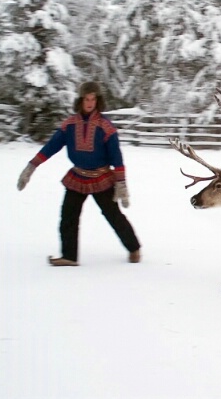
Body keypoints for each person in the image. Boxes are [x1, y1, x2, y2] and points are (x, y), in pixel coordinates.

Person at [16, 82, 141, 266]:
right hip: (77, 177)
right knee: (68, 216)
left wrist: (121, 184)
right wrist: (31, 166)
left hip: (102, 178)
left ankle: (134, 248)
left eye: (93, 99)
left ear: (98, 101)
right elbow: (51, 146)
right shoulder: (69, 125)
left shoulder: (106, 127)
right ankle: (69, 256)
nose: (90, 103)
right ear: (80, 101)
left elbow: (116, 156)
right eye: (86, 99)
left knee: (113, 215)